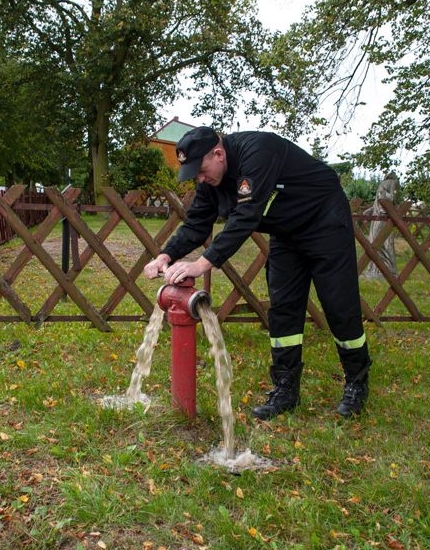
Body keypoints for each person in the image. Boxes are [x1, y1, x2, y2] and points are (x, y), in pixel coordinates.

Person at [142, 126, 372, 419]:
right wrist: (165, 255)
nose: (199, 179)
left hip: (324, 222)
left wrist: (201, 264)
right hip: (286, 233)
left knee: (339, 305)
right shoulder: (210, 180)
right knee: (284, 307)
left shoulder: (258, 152)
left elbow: (246, 216)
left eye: (200, 170)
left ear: (218, 154)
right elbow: (197, 223)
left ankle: (356, 381)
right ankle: (285, 389)